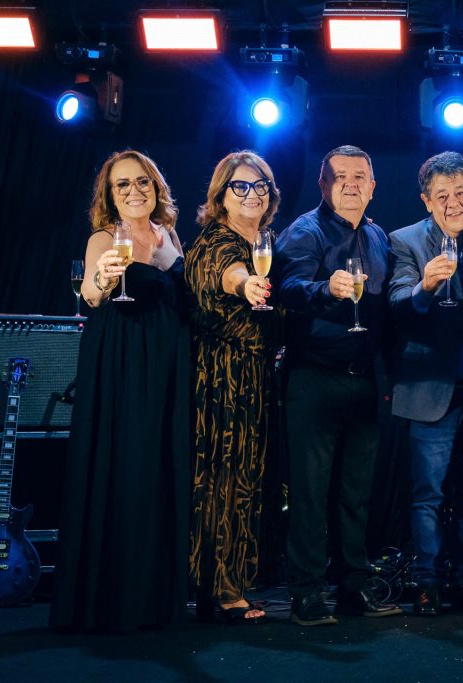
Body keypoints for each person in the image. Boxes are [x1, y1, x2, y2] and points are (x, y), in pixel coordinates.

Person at [50, 150, 189, 631]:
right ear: (109, 195)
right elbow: (91, 293)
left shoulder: (169, 236)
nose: (134, 191)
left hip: (167, 364)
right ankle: (114, 599)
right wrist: (101, 279)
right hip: (123, 365)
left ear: (156, 187)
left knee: (158, 466)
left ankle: (153, 597)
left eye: (142, 181)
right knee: (127, 462)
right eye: (122, 184)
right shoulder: (104, 238)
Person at [276, 145, 400, 625]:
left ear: (373, 187)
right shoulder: (305, 232)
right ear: (323, 185)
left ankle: (354, 587)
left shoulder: (378, 237)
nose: (351, 184)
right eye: (341, 176)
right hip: (314, 379)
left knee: (356, 494)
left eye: (360, 176)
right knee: (310, 494)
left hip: (363, 381)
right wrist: (325, 289)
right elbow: (288, 289)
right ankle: (306, 592)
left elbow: (388, 310)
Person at [388, 151, 463, 616]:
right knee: (428, 495)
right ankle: (427, 581)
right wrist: (425, 287)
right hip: (430, 388)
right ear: (426, 201)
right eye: (442, 195)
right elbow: (397, 303)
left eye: (460, 192)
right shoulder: (405, 240)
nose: (453, 203)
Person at [185, 151, 283, 623]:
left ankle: (233, 583)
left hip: (255, 376)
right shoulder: (215, 240)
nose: (251, 194)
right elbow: (225, 273)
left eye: (260, 185)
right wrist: (245, 286)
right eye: (240, 186)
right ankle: (219, 591)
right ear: (221, 196)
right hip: (221, 379)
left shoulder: (266, 240)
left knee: (247, 481)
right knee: (222, 481)